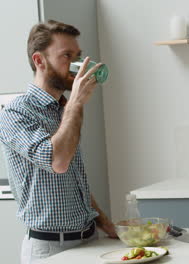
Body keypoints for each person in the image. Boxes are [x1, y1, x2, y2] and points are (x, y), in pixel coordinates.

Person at [0, 20, 116, 263]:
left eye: (79, 56)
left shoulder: (63, 108)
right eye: (67, 56)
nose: (78, 65)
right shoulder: (15, 113)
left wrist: (104, 222)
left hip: (89, 239)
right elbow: (59, 162)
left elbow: (71, 177)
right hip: (50, 249)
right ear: (40, 61)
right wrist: (76, 103)